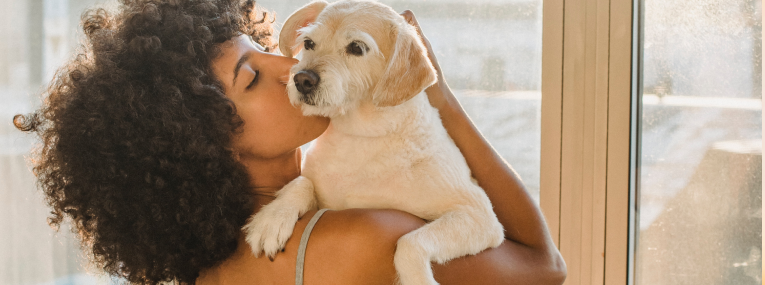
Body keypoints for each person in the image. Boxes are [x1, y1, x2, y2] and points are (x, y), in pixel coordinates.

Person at [13, 0, 566, 284]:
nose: (290, 66)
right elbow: (543, 269)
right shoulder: (366, 239)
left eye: (260, 47)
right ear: (207, 145)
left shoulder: (213, 269)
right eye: (251, 78)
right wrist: (436, 95)